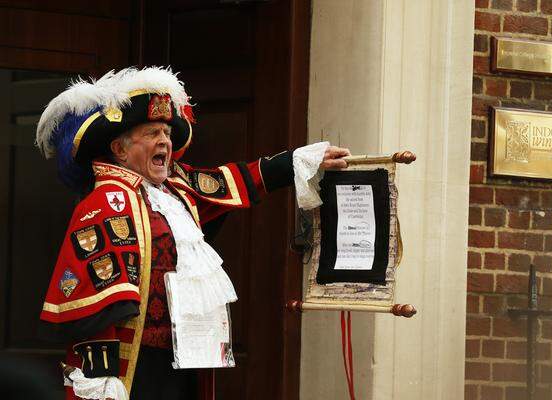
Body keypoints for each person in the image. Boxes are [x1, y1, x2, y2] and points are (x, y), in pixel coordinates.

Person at [35, 66, 350, 400]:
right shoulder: (105, 201)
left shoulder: (176, 190)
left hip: (182, 356)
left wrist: (296, 162)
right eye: (152, 133)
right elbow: (97, 305)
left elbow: (233, 182)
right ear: (120, 149)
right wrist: (101, 376)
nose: (164, 142)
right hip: (134, 363)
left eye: (167, 134)